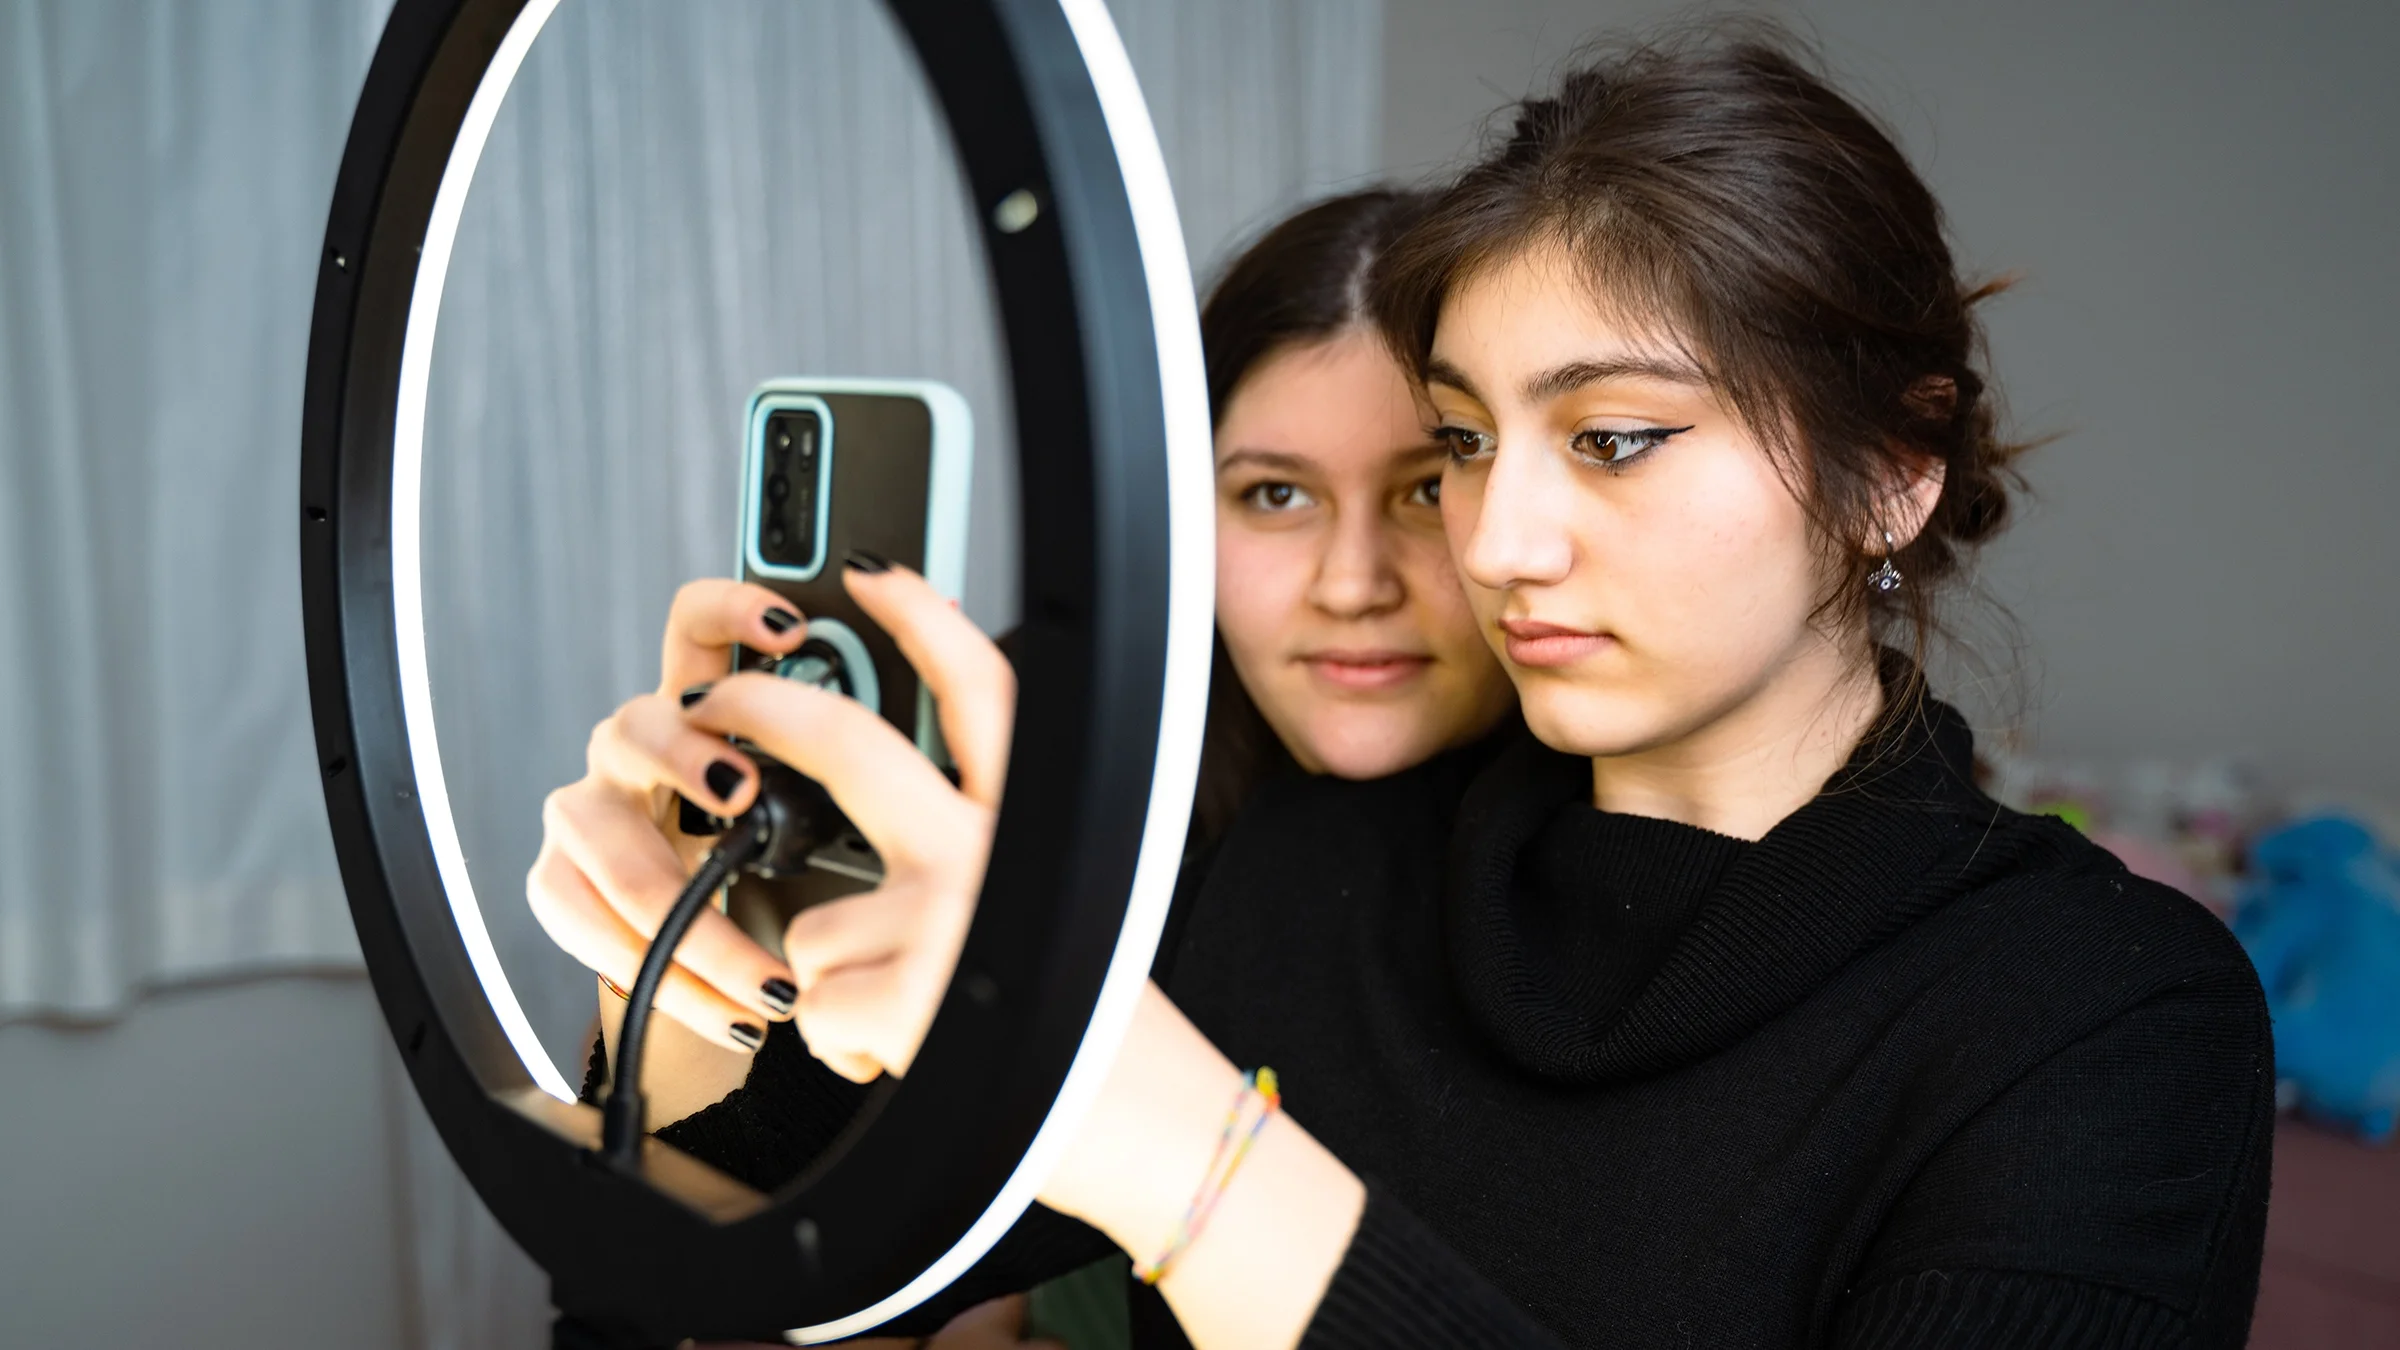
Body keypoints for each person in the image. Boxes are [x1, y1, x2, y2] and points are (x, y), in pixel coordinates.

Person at [538, 28, 2274, 1349]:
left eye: (1613, 441)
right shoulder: (1315, 874)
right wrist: (697, 942)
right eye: (1466, 441)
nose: (1497, 539)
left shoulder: (2108, 1019)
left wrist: (1194, 1166)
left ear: (1894, 471)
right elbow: (732, 1263)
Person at [531, 189, 1515, 1343]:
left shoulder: (1600, 870)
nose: (1353, 583)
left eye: (1424, 489)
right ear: (1182, 523)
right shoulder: (1038, 779)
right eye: (1276, 494)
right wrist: (689, 955)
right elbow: (738, 1275)